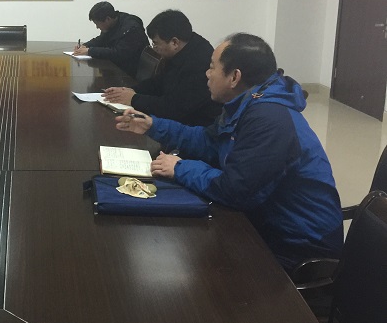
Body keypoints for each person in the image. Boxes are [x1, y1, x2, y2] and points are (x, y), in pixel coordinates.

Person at [115, 33, 343, 274]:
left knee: (187, 267)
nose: (207, 73)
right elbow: (208, 141)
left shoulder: (269, 120)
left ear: (234, 77)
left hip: (297, 249)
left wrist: (180, 167)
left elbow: (236, 190)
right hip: (264, 223)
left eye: (212, 67)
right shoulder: (246, 103)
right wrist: (154, 125)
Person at [103, 10, 221, 126]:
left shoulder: (198, 63)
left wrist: (134, 99)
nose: (154, 48)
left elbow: (174, 107)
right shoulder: (184, 48)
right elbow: (159, 82)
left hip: (194, 126)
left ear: (174, 42)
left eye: (155, 43)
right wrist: (131, 90)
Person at [73, 1, 149, 77]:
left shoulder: (131, 28)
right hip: (118, 68)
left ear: (108, 19)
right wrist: (85, 45)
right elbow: (102, 39)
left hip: (132, 73)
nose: (97, 27)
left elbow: (118, 53)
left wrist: (90, 51)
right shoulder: (113, 23)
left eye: (97, 24)